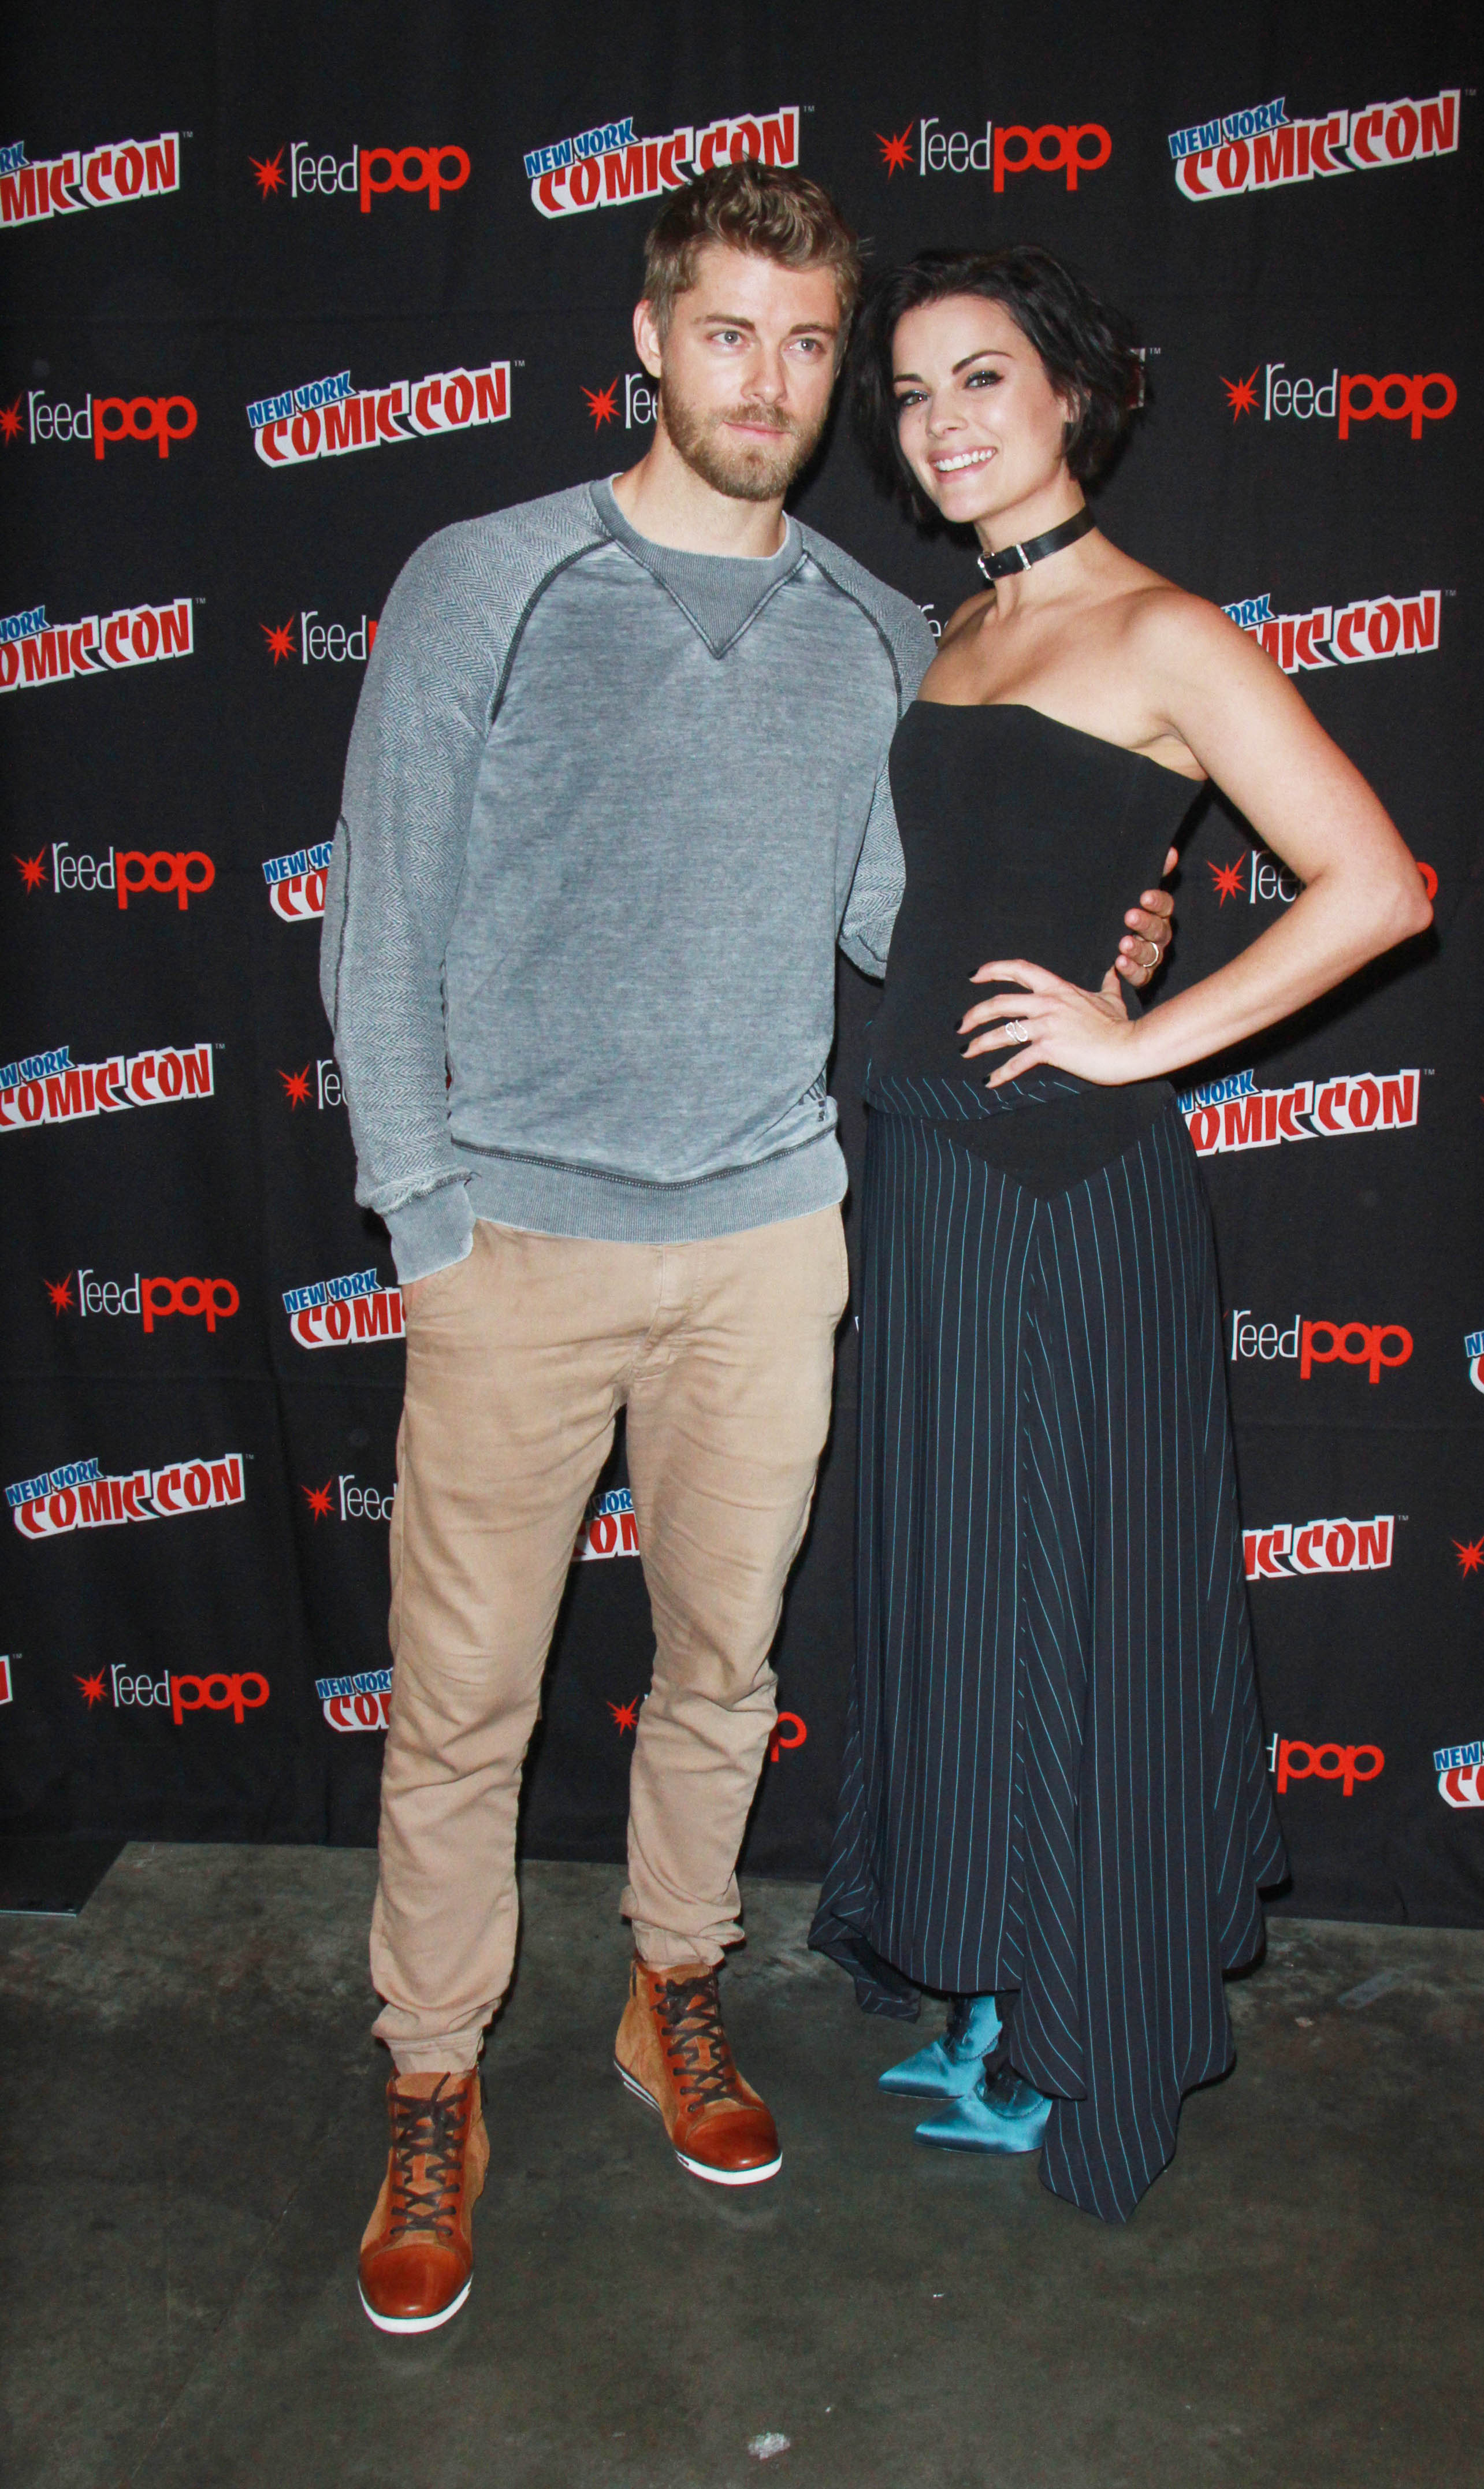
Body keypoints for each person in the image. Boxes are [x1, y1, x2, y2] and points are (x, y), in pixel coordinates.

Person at [323, 172, 1176, 2332]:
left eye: (811, 346)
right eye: (731, 333)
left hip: (771, 1246)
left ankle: (673, 1990)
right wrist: (428, 1221)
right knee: (465, 1703)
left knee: (723, 1671)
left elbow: (904, 924)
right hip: (517, 1242)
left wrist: (1101, 924)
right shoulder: (488, 578)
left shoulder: (879, 630)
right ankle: (431, 2075)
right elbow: (380, 915)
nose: (771, 381)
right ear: (650, 336)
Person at [810, 246, 1432, 2223]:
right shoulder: (954, 627)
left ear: (1073, 392)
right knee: (964, 1614)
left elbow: (1379, 886)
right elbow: (1006, 872)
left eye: (982, 377)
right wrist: (1120, 928)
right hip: (928, 1176)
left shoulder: (1165, 629)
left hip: (1063, 1200)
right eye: (912, 390)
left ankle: (1090, 2029)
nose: (943, 421)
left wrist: (1140, 1033)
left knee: (1078, 1621)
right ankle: (998, 1982)